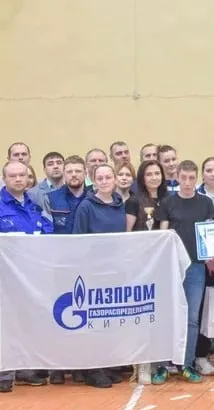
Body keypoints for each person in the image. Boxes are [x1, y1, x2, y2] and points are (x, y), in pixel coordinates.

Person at [0, 160, 54, 392]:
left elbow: (49, 234)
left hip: (31, 279)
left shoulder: (37, 203)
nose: (19, 179)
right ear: (4, 179)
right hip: (2, 279)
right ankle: (3, 374)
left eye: (23, 175)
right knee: (2, 328)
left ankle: (25, 370)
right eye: (13, 176)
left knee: (28, 325)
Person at [155, 160, 214, 385]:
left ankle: (187, 363)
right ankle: (164, 365)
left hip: (196, 267)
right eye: (183, 178)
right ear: (177, 177)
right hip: (172, 266)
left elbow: (211, 232)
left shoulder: (206, 203)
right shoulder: (167, 202)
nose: (187, 182)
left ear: (197, 178)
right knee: (168, 315)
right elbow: (163, 236)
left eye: (192, 178)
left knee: (192, 318)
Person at [69, 163, 126, 388]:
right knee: (93, 321)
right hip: (94, 272)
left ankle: (107, 364)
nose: (104, 181)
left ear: (114, 180)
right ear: (93, 181)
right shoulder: (86, 207)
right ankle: (93, 369)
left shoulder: (120, 205)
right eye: (99, 178)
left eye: (108, 177)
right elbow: (79, 240)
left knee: (109, 320)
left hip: (115, 271)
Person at [45, 156, 87, 234]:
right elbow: (47, 230)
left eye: (78, 171)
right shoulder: (50, 199)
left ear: (85, 173)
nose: (74, 175)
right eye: (69, 172)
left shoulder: (93, 198)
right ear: (64, 174)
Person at [126, 160, 167, 232]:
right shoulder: (133, 201)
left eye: (157, 173)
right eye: (149, 174)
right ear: (142, 178)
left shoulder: (169, 199)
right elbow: (127, 232)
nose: (154, 178)